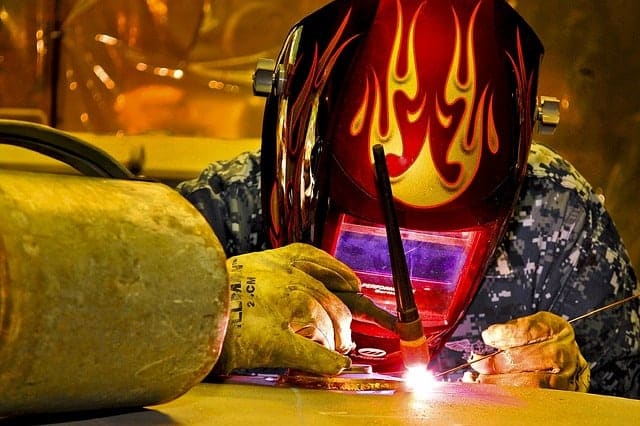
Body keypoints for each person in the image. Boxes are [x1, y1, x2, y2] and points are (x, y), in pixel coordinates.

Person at [176, 0, 639, 398]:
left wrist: (579, 385)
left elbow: (629, 389)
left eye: (435, 258)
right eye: (365, 247)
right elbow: (108, 335)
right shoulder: (228, 210)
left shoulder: (558, 223)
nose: (397, 309)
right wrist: (209, 309)